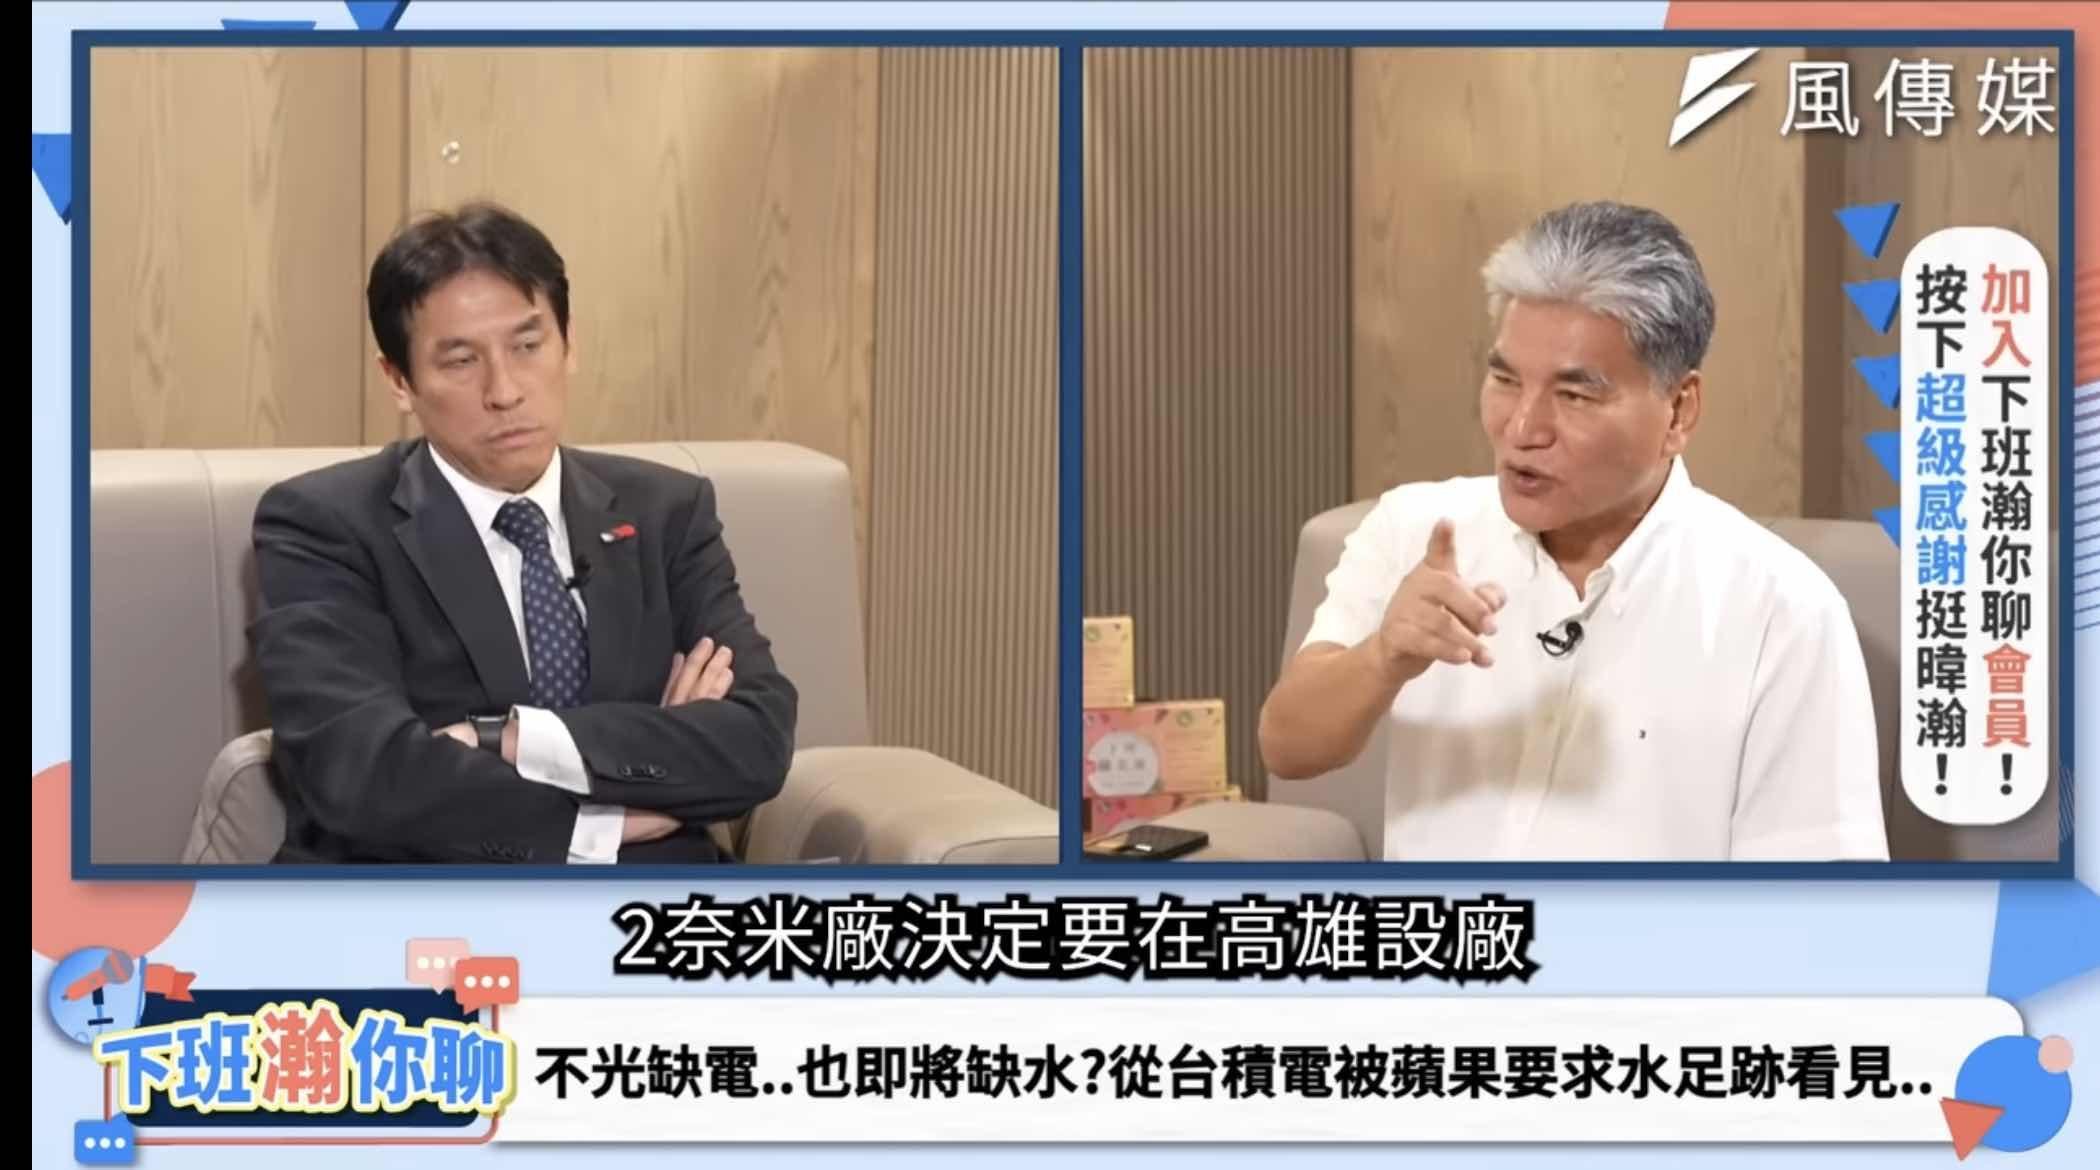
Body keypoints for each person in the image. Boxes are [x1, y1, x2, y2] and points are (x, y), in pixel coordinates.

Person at [1259, 201, 1886, 861]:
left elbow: (1811, 903)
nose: (1522, 428)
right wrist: (1383, 657)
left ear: (1679, 410)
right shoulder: (1415, 529)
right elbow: (1288, 748)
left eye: (1575, 395)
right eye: (1505, 379)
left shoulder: (1781, 610)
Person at [250, 202, 796, 864]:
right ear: (399, 380)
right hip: (427, 906)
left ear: (570, 344)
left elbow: (756, 738)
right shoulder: (324, 525)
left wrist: (505, 737)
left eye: (528, 346)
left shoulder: (667, 513)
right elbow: (363, 772)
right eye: (460, 360)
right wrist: (607, 817)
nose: (505, 391)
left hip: (652, 904)